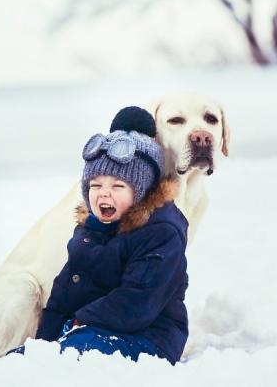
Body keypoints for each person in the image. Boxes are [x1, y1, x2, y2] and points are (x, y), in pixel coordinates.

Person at [34, 106, 189, 364]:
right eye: (95, 186)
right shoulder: (90, 230)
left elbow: (136, 303)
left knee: (72, 352)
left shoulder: (161, 233)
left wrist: (78, 321)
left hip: (150, 339)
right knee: (36, 356)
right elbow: (65, 290)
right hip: (91, 329)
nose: (104, 194)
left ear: (141, 190)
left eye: (118, 186)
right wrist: (43, 342)